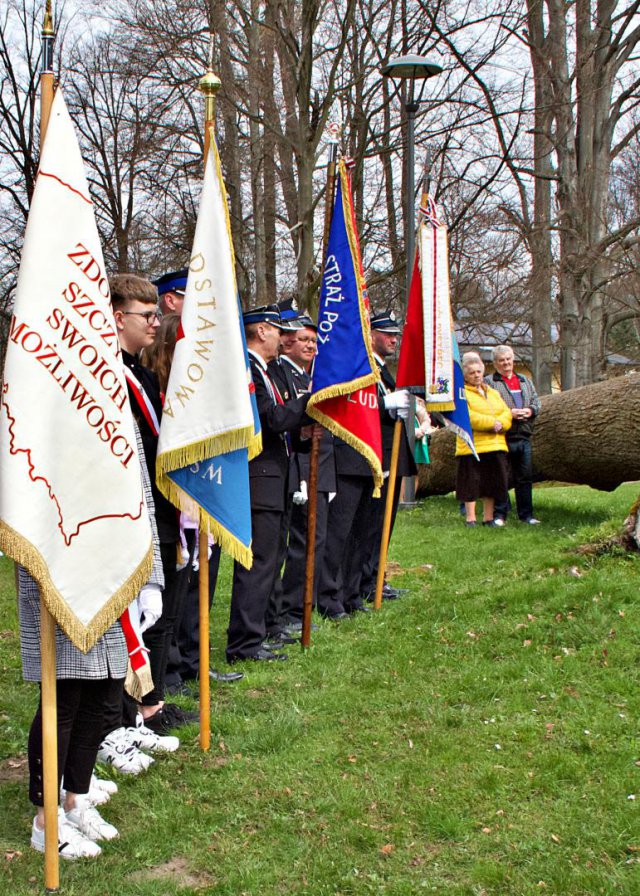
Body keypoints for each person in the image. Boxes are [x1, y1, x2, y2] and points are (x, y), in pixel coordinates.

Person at [20, 420, 165, 858]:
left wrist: (150, 576)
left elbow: (141, 494)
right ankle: (47, 820)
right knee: (67, 690)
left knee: (102, 689)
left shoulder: (113, 395)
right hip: (61, 558)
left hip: (115, 562)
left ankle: (75, 798)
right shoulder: (47, 389)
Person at [110, 274, 197, 731]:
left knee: (165, 609)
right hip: (136, 509)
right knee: (141, 614)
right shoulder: (110, 376)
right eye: (147, 315)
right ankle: (133, 711)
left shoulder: (140, 372)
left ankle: (152, 703)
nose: (155, 322)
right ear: (118, 317)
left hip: (163, 506)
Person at [226, 305, 311, 663]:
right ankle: (244, 643)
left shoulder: (266, 371)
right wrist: (312, 400)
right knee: (258, 562)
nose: (284, 337)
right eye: (278, 330)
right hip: (258, 476)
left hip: (275, 475)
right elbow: (271, 418)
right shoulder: (247, 370)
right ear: (262, 331)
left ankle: (259, 631)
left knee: (271, 557)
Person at [486, 345, 541, 525]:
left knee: (525, 477)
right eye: (501, 361)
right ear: (495, 363)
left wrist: (529, 411)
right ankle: (500, 515)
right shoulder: (489, 382)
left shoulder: (524, 380)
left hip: (524, 434)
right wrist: (510, 413)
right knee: (501, 477)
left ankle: (527, 515)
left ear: (513, 360)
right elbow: (489, 407)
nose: (506, 363)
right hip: (502, 436)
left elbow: (536, 401)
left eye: (508, 359)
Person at [456, 352, 512, 527]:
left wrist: (501, 423)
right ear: (465, 375)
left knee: (492, 483)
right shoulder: (462, 393)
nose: (476, 375)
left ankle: (488, 518)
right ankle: (470, 518)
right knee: (471, 483)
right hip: (472, 445)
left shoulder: (493, 393)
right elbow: (467, 416)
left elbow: (506, 412)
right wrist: (490, 423)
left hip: (496, 444)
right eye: (472, 373)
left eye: (479, 372)